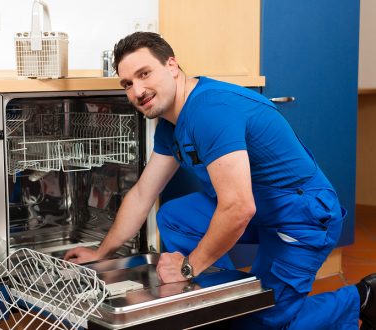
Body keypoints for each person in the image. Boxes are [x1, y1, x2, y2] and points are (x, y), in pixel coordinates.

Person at [64, 31, 376, 329]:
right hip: (261, 207)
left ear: (171, 66)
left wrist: (188, 266)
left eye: (144, 74)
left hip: (301, 217)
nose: (137, 91)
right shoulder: (170, 124)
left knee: (259, 322)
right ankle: (216, 297)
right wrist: (100, 253)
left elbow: (238, 208)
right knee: (174, 216)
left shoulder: (210, 111)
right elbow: (143, 193)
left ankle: (360, 299)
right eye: (127, 84)